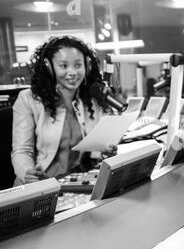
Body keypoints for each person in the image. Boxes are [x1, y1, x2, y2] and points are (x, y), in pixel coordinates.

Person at [11, 36, 116, 186]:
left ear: (87, 66)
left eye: (78, 65)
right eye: (64, 66)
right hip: (38, 186)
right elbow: (22, 150)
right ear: (49, 67)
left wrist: (104, 152)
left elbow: (97, 146)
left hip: (75, 183)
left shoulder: (90, 100)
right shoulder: (28, 99)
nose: (72, 72)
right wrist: (27, 172)